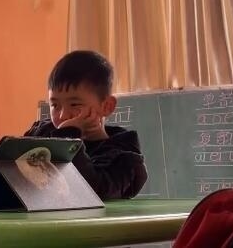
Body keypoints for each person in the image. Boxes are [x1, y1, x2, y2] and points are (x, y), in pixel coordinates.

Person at [23, 50, 148, 199]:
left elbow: (95, 191)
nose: (62, 115)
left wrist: (68, 139)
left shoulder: (123, 155)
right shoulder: (41, 134)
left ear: (106, 106)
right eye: (55, 105)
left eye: (75, 104)